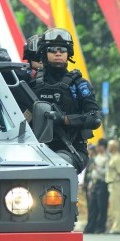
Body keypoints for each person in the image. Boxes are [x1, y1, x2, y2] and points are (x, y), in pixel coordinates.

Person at [28, 28, 102, 173]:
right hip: (35, 150)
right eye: (53, 49)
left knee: (58, 165)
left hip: (71, 150)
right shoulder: (31, 83)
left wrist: (63, 119)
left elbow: (95, 118)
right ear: (44, 52)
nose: (58, 53)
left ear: (68, 53)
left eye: (62, 49)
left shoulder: (79, 85)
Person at [84, 139, 109, 234]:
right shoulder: (96, 157)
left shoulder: (107, 158)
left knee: (101, 206)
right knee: (92, 206)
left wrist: (97, 168)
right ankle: (91, 226)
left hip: (102, 183)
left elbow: (106, 173)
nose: (97, 148)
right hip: (93, 183)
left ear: (103, 147)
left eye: (99, 146)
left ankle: (101, 226)